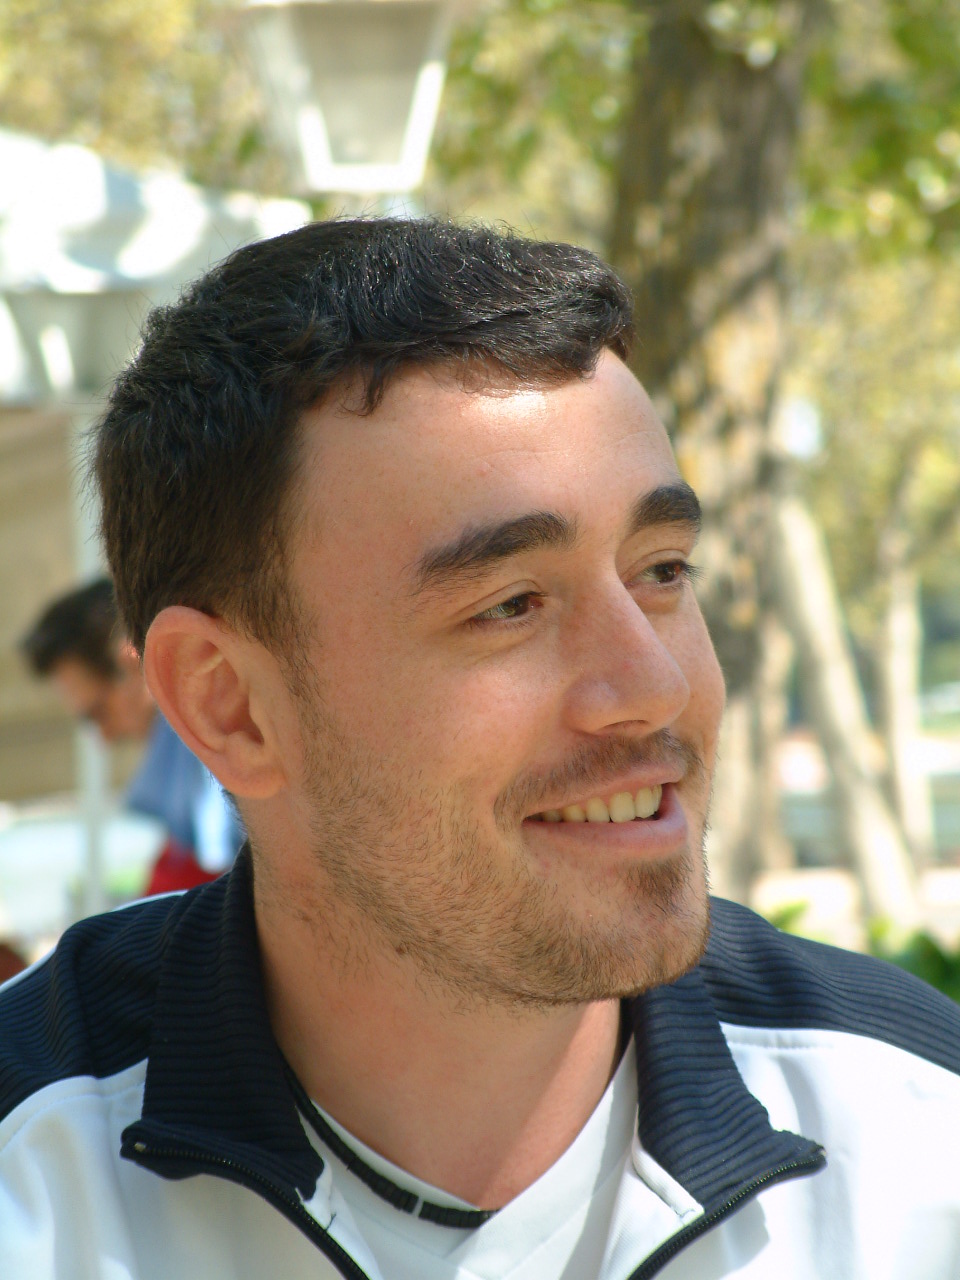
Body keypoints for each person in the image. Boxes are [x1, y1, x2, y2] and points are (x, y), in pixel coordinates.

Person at [0, 219, 958, 1280]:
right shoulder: (32, 1182)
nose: (654, 685)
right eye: (509, 603)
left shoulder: (920, 1146)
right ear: (230, 707)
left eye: (663, 570)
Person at [20, 577, 242, 894]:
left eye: (98, 712)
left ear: (131, 661)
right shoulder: (196, 807)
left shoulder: (229, 771)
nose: (104, 737)